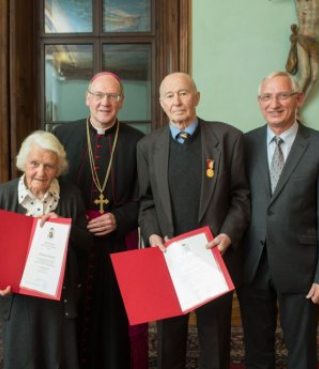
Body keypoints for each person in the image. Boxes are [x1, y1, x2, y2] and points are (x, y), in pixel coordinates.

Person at [137, 72, 250, 369]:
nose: (177, 101)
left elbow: (241, 196)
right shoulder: (148, 147)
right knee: (168, 339)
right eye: (170, 96)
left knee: (214, 339)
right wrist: (152, 236)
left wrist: (227, 235)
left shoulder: (228, 139)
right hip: (169, 257)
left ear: (197, 97)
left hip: (214, 255)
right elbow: (146, 202)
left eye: (184, 93)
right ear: (161, 103)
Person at [238, 71, 319, 369]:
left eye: (283, 95)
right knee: (256, 348)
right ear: (259, 102)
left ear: (297, 99)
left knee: (301, 350)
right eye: (267, 97)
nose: (275, 103)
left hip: (303, 267)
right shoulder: (244, 144)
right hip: (252, 264)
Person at [54, 71, 145, 369]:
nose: (105, 102)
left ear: (121, 101)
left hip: (118, 242)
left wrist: (119, 218)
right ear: (87, 99)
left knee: (114, 316)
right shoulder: (62, 135)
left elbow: (148, 197)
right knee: (73, 311)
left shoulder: (138, 142)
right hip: (74, 241)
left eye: (112, 96)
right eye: (99, 95)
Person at [0, 130, 92, 369]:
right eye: (34, 163)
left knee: (58, 358)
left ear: (58, 168)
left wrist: (64, 228)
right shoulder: (0, 196)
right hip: (17, 297)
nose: (41, 172)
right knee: (22, 359)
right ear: (24, 162)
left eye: (49, 166)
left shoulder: (71, 196)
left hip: (58, 296)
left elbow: (86, 244)